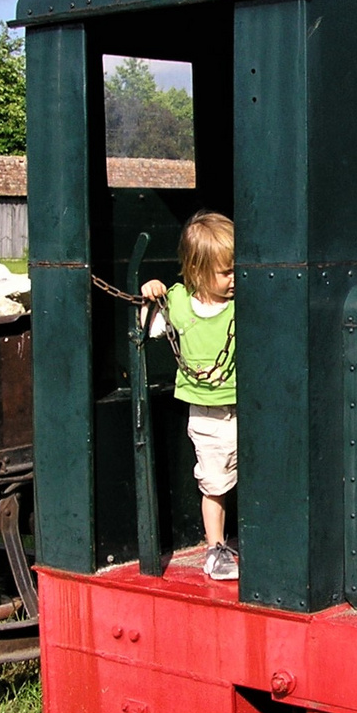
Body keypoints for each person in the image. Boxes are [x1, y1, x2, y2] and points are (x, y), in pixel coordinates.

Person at [141, 211, 238, 580]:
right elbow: (148, 329)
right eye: (225, 272)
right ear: (197, 270)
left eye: (235, 270)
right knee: (215, 481)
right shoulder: (179, 302)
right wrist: (152, 295)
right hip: (208, 412)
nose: (233, 280)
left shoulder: (242, 302)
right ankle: (215, 548)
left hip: (246, 405)